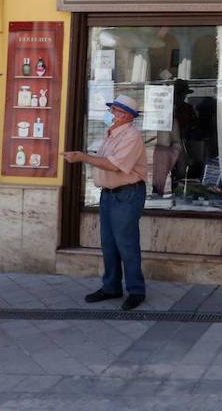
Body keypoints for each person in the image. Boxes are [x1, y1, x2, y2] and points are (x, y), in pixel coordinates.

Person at [63, 94, 148, 310]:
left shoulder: (131, 136)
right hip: (110, 194)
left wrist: (82, 157)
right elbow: (105, 162)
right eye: (111, 110)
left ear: (125, 115)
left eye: (115, 111)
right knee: (109, 244)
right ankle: (111, 286)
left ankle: (136, 290)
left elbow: (113, 166)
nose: (110, 113)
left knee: (126, 244)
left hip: (127, 194)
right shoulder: (112, 135)